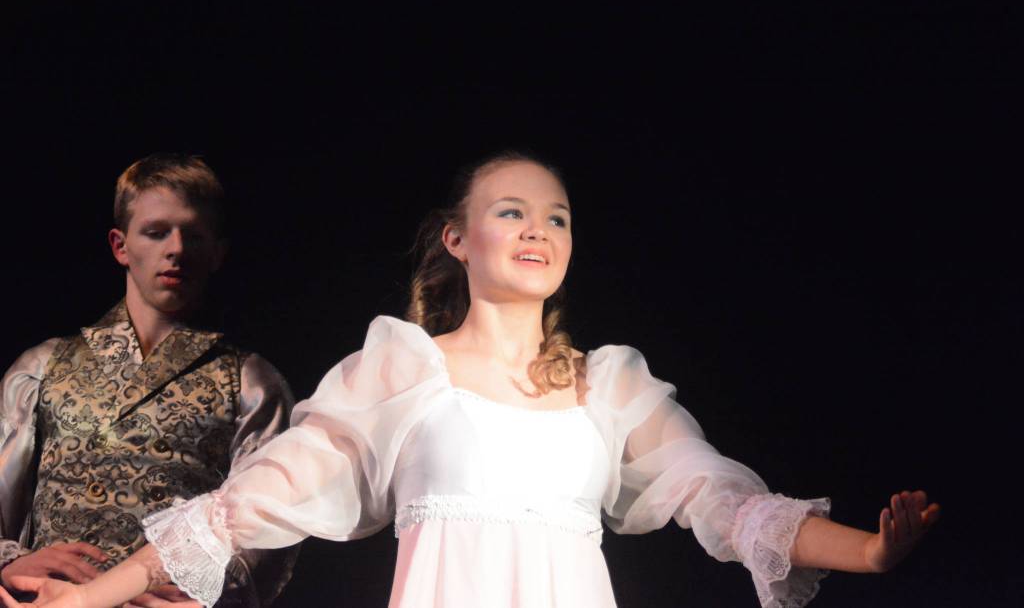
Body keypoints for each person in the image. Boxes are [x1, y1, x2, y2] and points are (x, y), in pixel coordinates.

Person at [0, 151, 939, 608]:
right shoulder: (400, 371)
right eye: (512, 210)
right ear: (458, 237)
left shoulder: (609, 389)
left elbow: (727, 502)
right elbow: (250, 504)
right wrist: (93, 595)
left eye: (558, 218)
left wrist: (869, 553)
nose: (539, 230)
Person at [0, 155, 296, 607]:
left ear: (217, 252)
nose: (175, 249)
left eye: (192, 235)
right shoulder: (43, 367)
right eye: (156, 232)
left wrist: (205, 595)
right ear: (120, 245)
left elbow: (267, 521)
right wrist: (7, 562)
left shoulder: (250, 381)